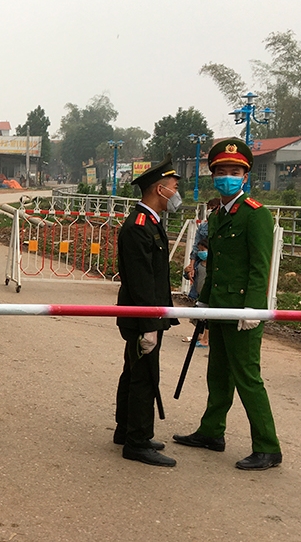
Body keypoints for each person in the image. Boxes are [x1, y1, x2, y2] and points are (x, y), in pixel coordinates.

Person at [173, 137, 282, 471]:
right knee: (217, 373)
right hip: (219, 306)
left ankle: (268, 446)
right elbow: (216, 263)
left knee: (247, 376)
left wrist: (253, 310)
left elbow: (259, 267)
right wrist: (204, 301)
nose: (227, 176)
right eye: (221, 171)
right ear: (213, 175)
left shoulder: (256, 216)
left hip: (242, 312)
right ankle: (211, 432)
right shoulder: (218, 215)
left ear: (245, 176)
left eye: (235, 171)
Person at [114, 153, 181, 468]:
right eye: (173, 187)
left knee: (134, 371)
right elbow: (141, 282)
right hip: (143, 316)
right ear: (159, 189)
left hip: (148, 314)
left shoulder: (149, 222)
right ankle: (137, 442)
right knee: (143, 375)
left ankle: (126, 429)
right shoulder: (139, 226)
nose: (177, 193)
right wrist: (149, 325)